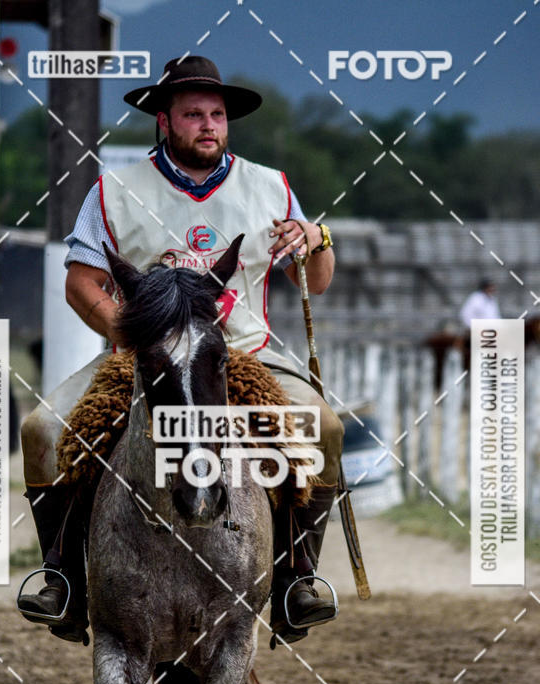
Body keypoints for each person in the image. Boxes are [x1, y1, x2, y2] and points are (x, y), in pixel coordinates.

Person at [18, 56, 344, 647]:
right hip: (139, 356)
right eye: (193, 113)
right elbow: (80, 283)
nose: (209, 124)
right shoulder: (113, 190)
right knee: (42, 429)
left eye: (217, 114)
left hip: (244, 353)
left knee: (323, 427)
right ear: (163, 121)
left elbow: (315, 281)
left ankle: (299, 578)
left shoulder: (270, 185)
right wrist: (136, 335)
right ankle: (62, 576)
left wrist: (316, 237)